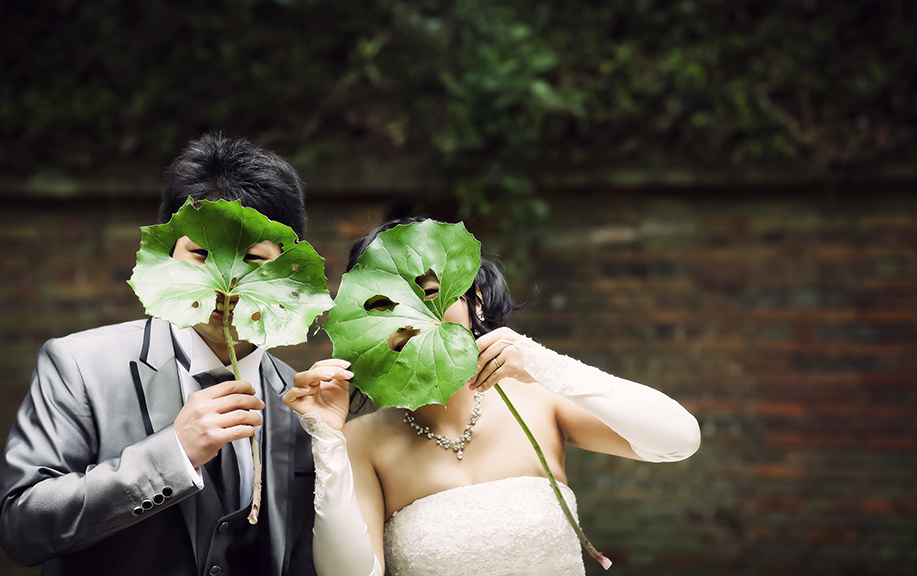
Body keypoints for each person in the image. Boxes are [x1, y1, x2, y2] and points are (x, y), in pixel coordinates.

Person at [283, 218, 702, 576]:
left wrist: (544, 364)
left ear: (475, 302)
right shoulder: (362, 442)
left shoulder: (539, 399)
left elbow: (679, 439)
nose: (411, 316)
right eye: (385, 303)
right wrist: (327, 439)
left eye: (428, 293)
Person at [0, 134, 318, 576]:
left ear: (290, 269)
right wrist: (173, 454)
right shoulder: (78, 367)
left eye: (253, 259)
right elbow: (21, 525)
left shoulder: (299, 401)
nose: (228, 283)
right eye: (202, 254)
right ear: (166, 255)